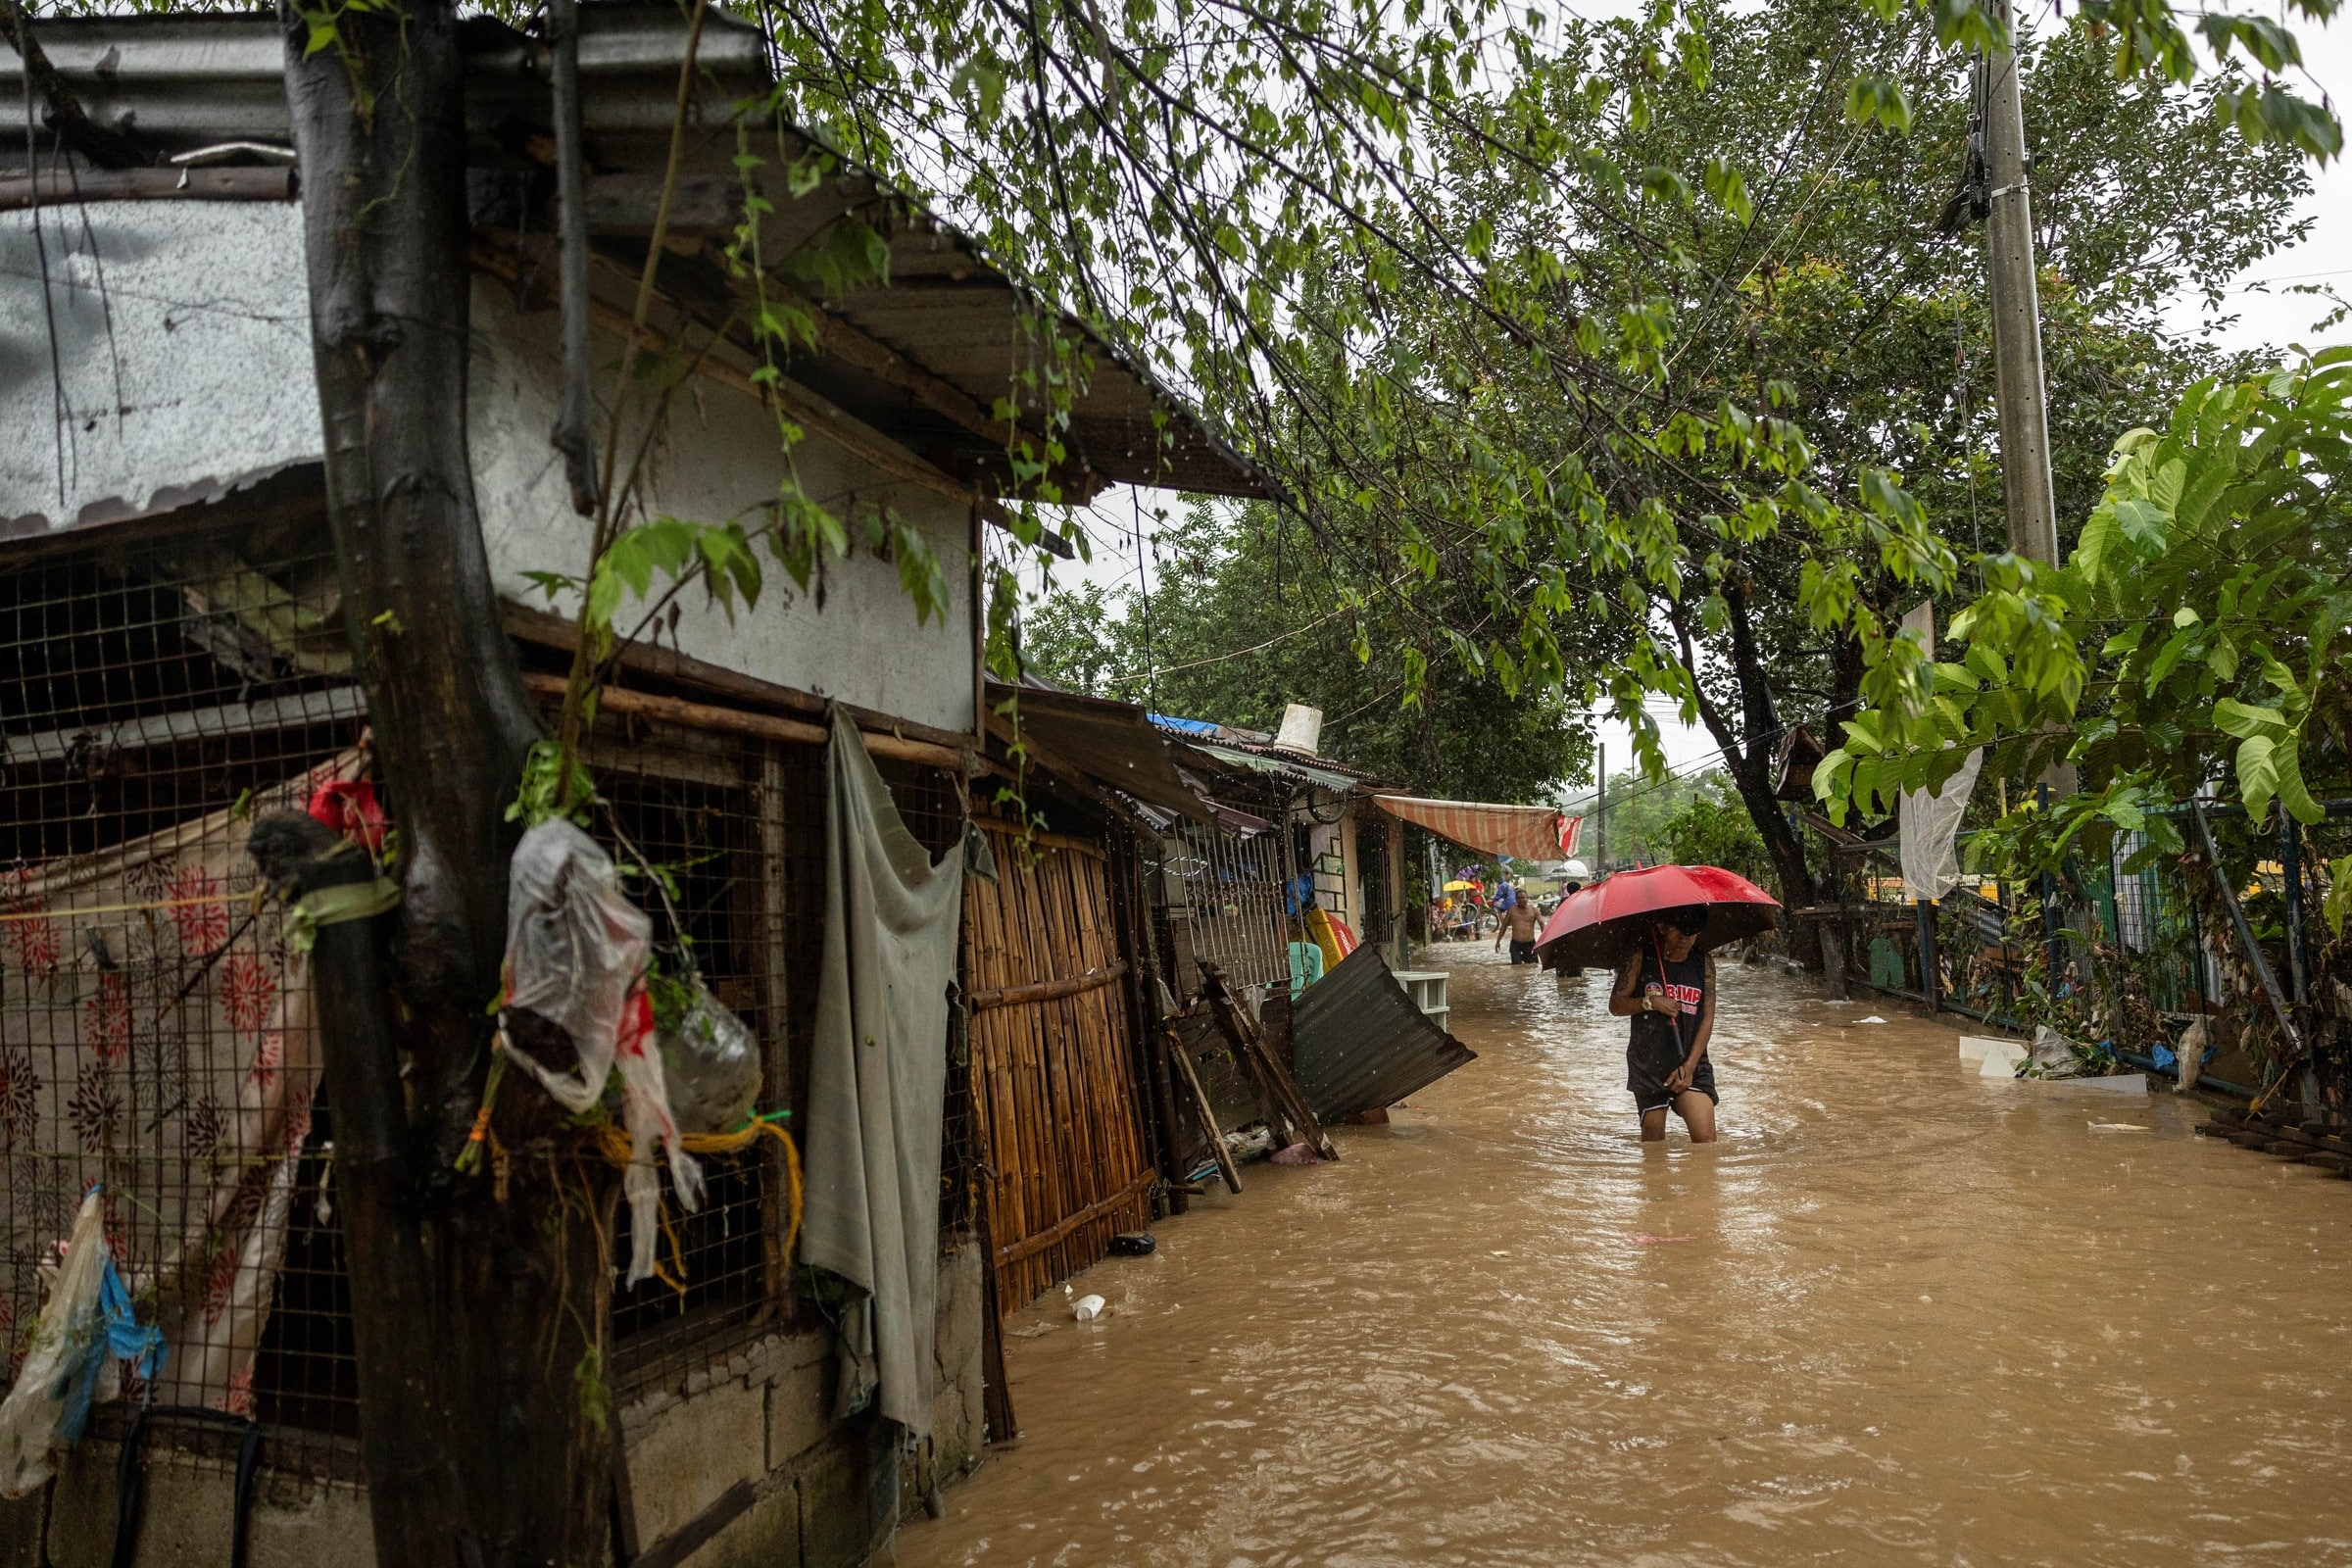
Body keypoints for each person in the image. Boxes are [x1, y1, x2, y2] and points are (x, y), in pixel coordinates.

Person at [1607, 907, 1718, 1144]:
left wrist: (1689, 1067)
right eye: (1679, 932)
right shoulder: (1641, 957)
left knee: (1706, 1140)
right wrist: (1650, 1002)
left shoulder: (1703, 962)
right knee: (1653, 1143)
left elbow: (1707, 1017)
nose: (1685, 941)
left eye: (1692, 934)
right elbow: (1616, 1005)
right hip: (1649, 1063)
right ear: (1662, 927)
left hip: (1691, 1061)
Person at [1494, 883, 1541, 964]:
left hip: (1530, 944)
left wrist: (1544, 942)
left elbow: (1542, 925)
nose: (1521, 900)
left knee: (1533, 966)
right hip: (1516, 944)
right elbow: (1504, 926)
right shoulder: (1512, 910)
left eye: (1523, 897)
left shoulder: (1534, 910)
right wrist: (1498, 941)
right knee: (1516, 967)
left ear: (1527, 898)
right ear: (1515, 899)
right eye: (1518, 898)